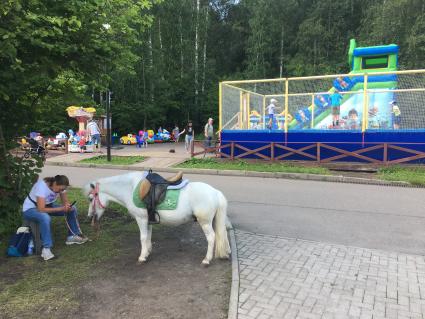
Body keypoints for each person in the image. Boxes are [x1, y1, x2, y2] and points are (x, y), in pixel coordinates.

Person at [22, 175, 88, 261]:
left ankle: (72, 236)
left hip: (47, 206)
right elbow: (41, 209)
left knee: (72, 209)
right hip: (31, 209)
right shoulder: (41, 187)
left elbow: (65, 203)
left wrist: (67, 206)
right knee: (45, 218)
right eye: (60, 189)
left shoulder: (60, 187)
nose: (61, 191)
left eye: (63, 189)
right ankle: (46, 249)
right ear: (55, 183)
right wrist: (61, 208)